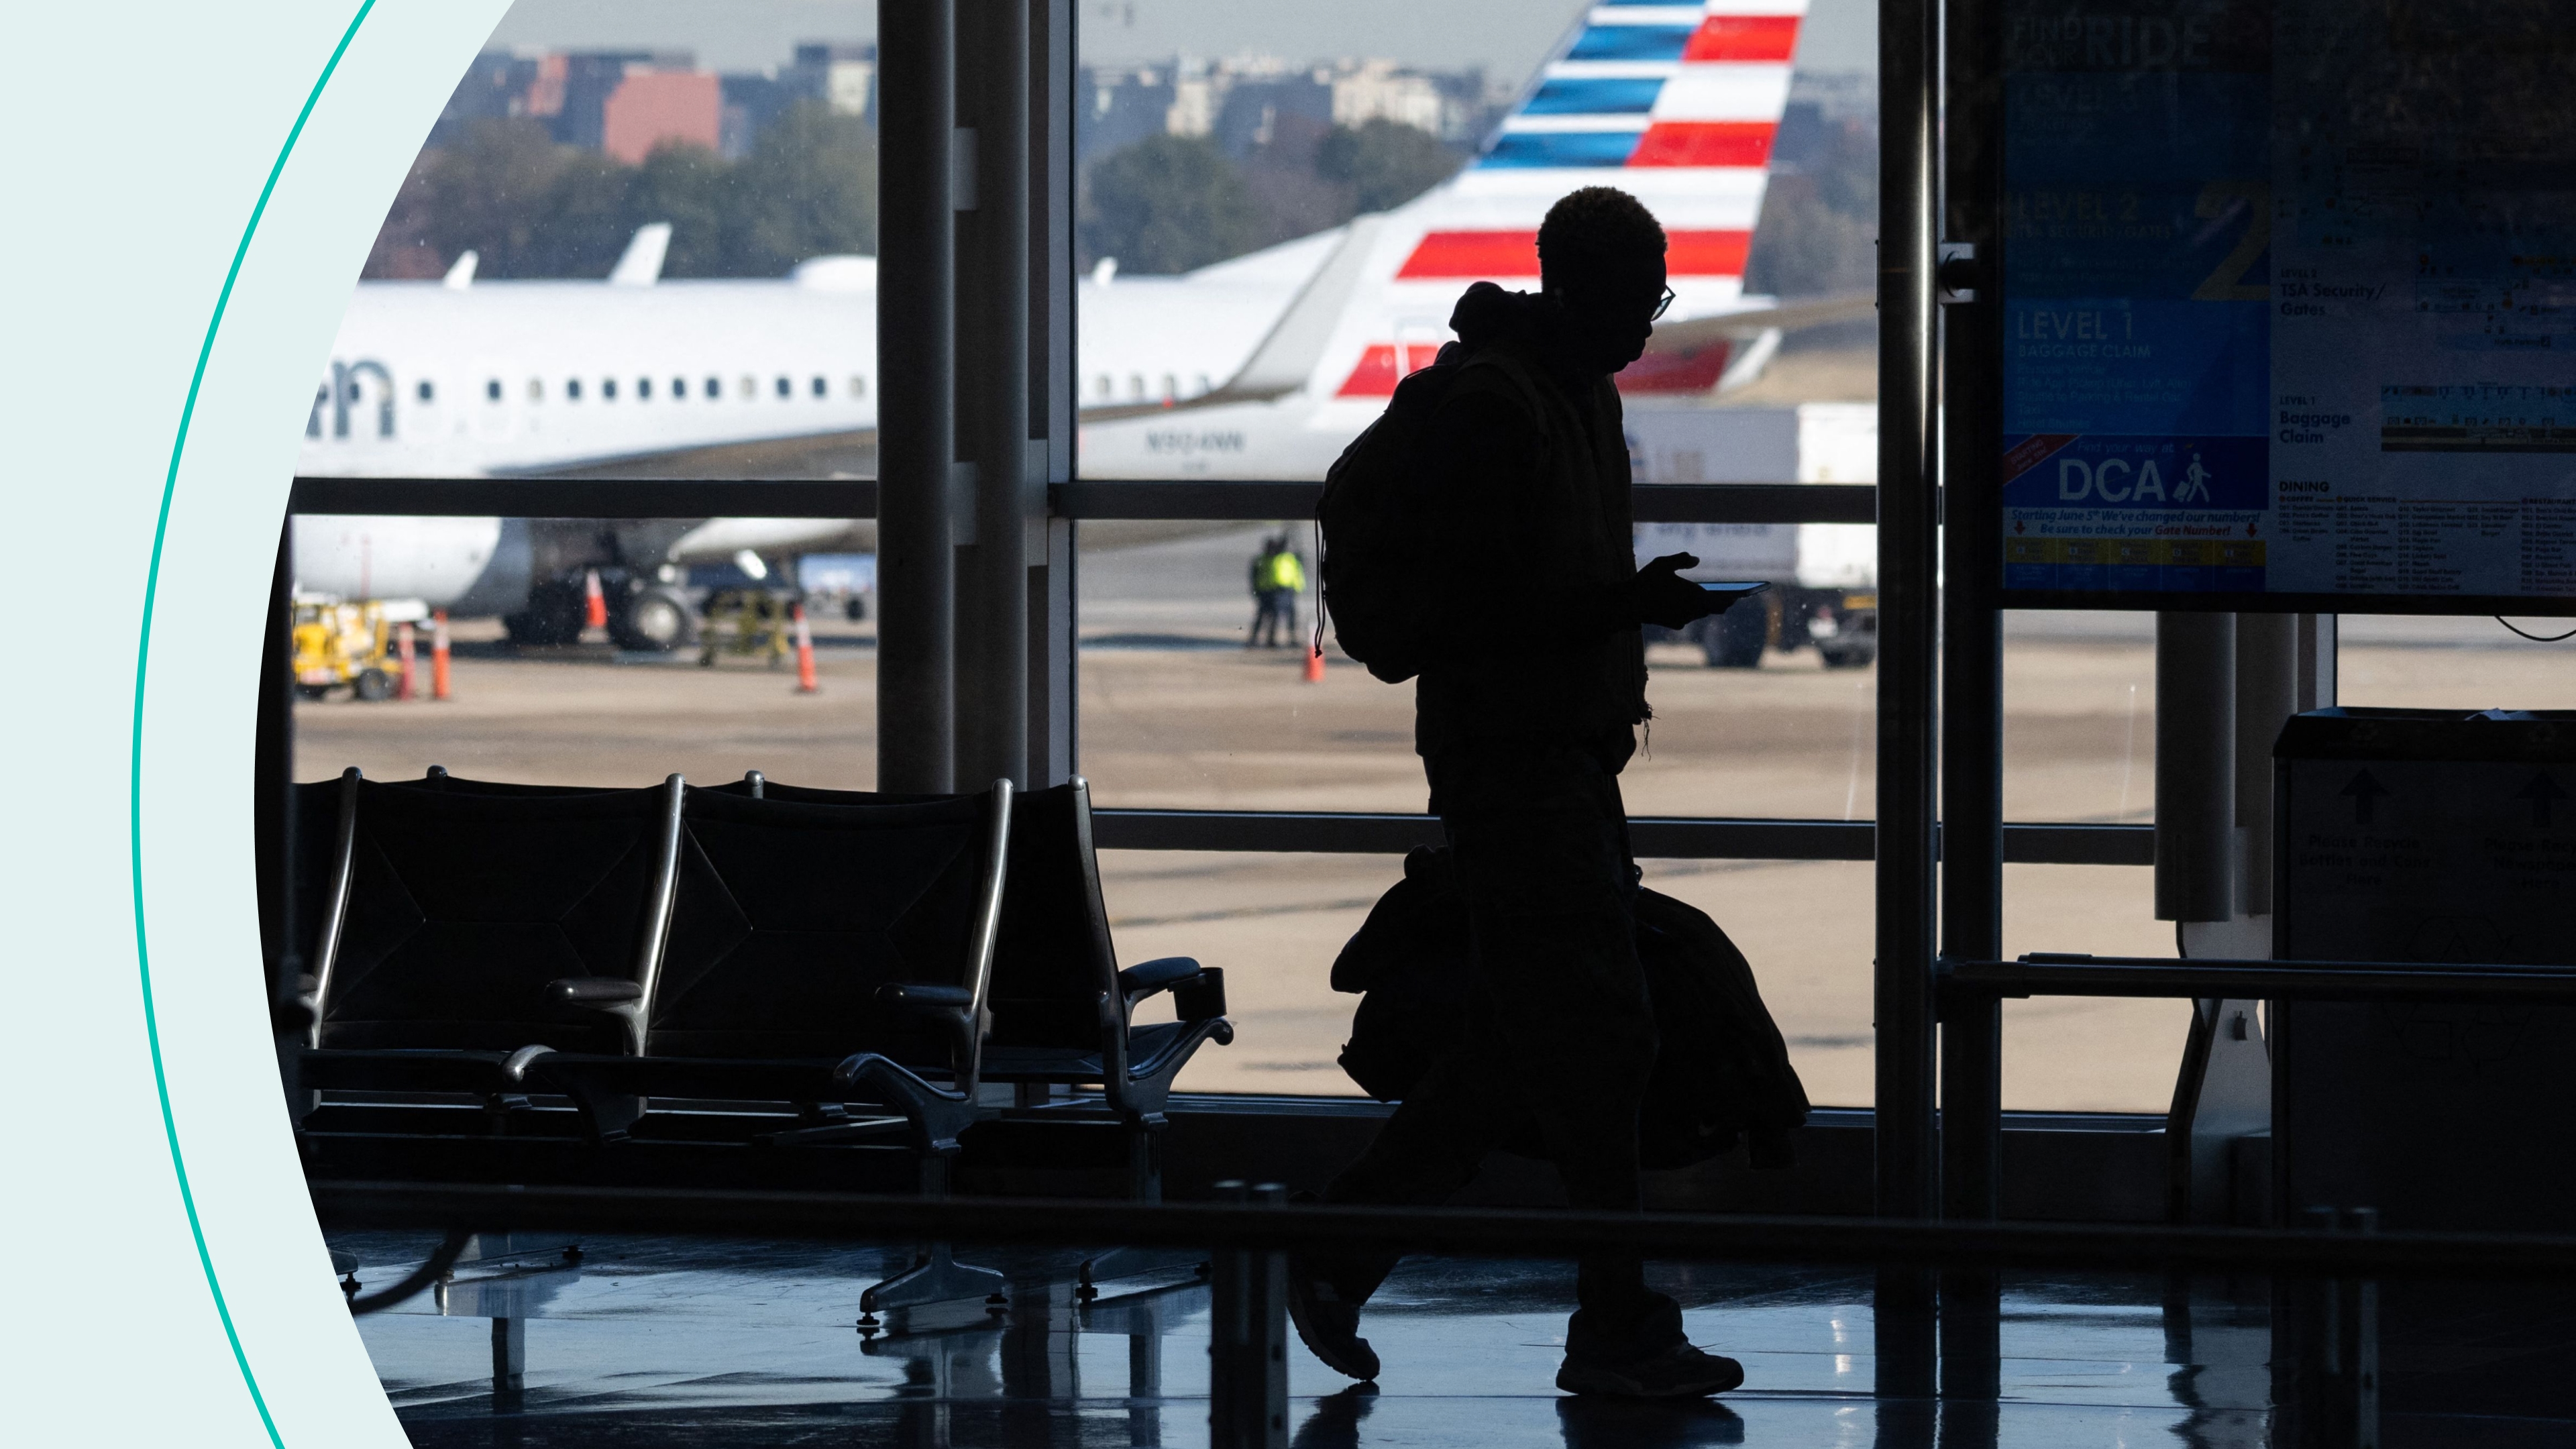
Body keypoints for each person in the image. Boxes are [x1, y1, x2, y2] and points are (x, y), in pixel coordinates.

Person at [1288, 186, 1742, 1399]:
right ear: (1590, 289)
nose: (1649, 328)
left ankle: (1346, 1252)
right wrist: (1624, 608)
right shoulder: (1509, 409)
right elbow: (1487, 616)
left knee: (1531, 1034)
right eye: (1642, 300)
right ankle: (1612, 1320)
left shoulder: (1560, 389)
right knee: (1601, 1032)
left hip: (1556, 759)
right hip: (1518, 765)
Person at [1247, 533, 1307, 648]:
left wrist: (1298, 587)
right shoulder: (1263, 559)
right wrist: (1256, 590)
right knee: (1265, 615)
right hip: (1268, 591)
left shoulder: (1288, 558)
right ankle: (1260, 639)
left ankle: (1290, 638)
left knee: (1289, 615)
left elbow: (1297, 572)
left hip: (1286, 590)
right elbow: (1254, 575)